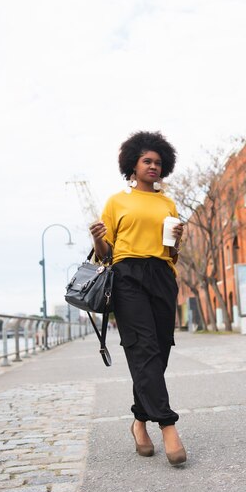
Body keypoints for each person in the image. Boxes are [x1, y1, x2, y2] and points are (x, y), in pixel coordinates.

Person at [89, 131, 186, 466]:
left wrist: (177, 240)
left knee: (158, 350)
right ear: (132, 164)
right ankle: (168, 426)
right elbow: (105, 255)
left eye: (158, 162)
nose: (153, 166)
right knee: (143, 348)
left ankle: (138, 421)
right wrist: (98, 239)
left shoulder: (167, 203)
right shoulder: (117, 201)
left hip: (162, 276)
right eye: (147, 161)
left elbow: (171, 255)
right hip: (127, 276)